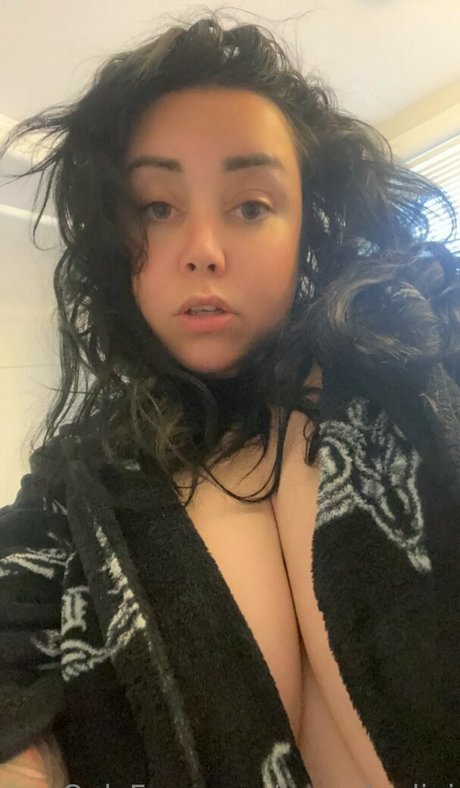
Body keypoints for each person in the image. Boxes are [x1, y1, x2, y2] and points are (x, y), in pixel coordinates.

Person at [0, 9, 459, 787]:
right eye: (157, 208)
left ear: (306, 223)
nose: (203, 252)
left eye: (250, 206)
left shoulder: (423, 342)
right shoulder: (71, 481)